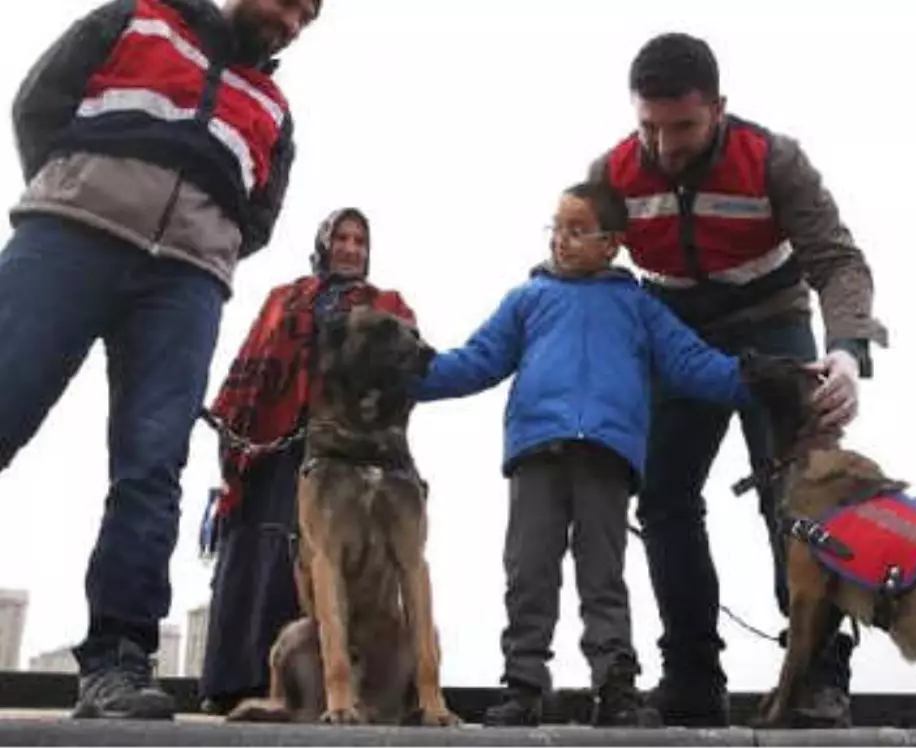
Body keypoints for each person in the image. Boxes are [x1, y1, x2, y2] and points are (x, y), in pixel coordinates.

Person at [0, 0, 318, 721]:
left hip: (184, 283)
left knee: (152, 466)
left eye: (308, 17)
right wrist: (77, 190)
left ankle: (118, 660)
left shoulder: (274, 107)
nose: (293, 23)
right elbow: (37, 104)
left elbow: (260, 213)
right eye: (289, 3)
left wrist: (207, 248)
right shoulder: (138, 18)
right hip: (67, 239)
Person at [585, 32, 890, 727]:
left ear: (719, 108)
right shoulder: (612, 171)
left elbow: (839, 262)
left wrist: (845, 350)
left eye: (683, 126)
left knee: (798, 497)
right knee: (662, 496)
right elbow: (584, 266)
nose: (665, 147)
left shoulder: (775, 159)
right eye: (648, 128)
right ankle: (690, 674)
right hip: (675, 334)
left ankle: (816, 673)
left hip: (772, 325)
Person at [411, 181, 761, 728]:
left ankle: (615, 688)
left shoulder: (638, 307)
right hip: (536, 452)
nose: (562, 240)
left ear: (611, 244)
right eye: (557, 228)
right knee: (529, 570)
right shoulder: (527, 299)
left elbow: (693, 363)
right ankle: (524, 685)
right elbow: (476, 360)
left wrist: (758, 380)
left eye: (577, 230)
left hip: (606, 455)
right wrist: (404, 377)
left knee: (603, 575)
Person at [197, 207, 419, 713]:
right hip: (276, 447)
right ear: (324, 244)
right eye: (341, 238)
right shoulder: (285, 297)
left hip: (347, 455)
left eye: (360, 240)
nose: (349, 248)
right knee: (260, 553)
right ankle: (238, 681)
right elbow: (251, 364)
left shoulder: (385, 306)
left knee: (327, 562)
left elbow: (401, 370)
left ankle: (321, 690)